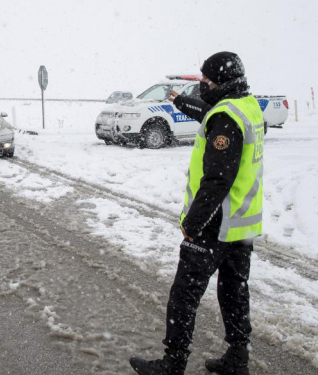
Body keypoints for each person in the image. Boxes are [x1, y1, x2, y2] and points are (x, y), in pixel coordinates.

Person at [129, 51, 265, 375]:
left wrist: (192, 223)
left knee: (184, 294)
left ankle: (172, 364)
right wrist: (180, 103)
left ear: (222, 81)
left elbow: (217, 180)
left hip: (214, 222)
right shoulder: (246, 107)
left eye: (206, 80)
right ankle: (237, 357)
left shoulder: (225, 118)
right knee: (233, 290)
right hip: (241, 225)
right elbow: (209, 113)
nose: (201, 85)